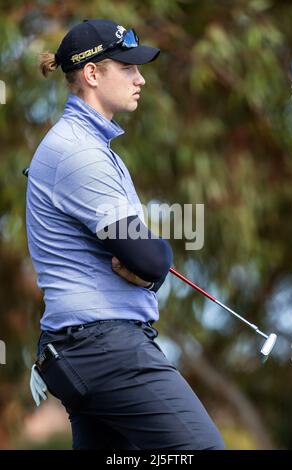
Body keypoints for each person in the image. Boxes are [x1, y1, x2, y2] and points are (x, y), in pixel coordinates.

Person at [26, 18, 224, 450]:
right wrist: (153, 265)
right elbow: (149, 259)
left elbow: (141, 259)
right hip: (104, 348)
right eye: (128, 68)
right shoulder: (79, 152)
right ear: (93, 74)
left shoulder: (89, 145)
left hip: (83, 349)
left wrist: (147, 263)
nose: (141, 78)